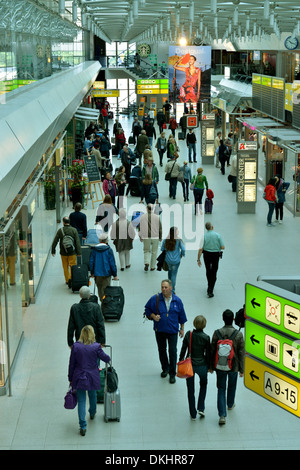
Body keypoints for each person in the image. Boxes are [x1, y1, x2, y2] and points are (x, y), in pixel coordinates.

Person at [68, 325, 111, 436]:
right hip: (92, 376)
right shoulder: (96, 346)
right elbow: (106, 358)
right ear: (93, 334)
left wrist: (70, 378)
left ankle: (83, 426)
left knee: (81, 400)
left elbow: (71, 364)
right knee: (93, 395)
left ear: (81, 334)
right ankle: (92, 412)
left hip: (79, 376)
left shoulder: (76, 347)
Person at [144, 279, 187, 383]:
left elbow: (182, 315)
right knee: (162, 350)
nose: (163, 289)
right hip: (160, 330)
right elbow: (147, 309)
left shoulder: (177, 301)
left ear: (171, 288)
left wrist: (182, 329)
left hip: (172, 331)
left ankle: (172, 373)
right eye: (162, 287)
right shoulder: (155, 299)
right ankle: (165, 368)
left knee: (172, 351)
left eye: (166, 287)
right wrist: (153, 316)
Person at [211, 309, 245, 425]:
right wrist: (242, 369)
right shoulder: (239, 334)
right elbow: (241, 352)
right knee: (232, 385)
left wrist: (211, 366)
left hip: (220, 365)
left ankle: (222, 415)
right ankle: (230, 404)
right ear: (233, 320)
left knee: (221, 389)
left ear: (223, 319)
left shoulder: (217, 333)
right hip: (233, 366)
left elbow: (212, 350)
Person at [179, 315, 211, 420]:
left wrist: (180, 361)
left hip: (190, 366)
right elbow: (208, 354)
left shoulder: (189, 334)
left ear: (194, 323)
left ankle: (193, 414)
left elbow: (183, 350)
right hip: (202, 365)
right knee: (203, 385)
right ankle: (201, 408)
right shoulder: (206, 337)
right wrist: (210, 366)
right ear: (204, 325)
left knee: (190, 390)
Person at [51, 216, 81, 287]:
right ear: (69, 222)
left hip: (63, 252)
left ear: (63, 222)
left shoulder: (60, 230)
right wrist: (79, 252)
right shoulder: (74, 230)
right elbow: (77, 242)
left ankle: (67, 280)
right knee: (72, 266)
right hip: (72, 252)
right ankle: (71, 279)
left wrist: (53, 250)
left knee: (65, 267)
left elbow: (55, 241)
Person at [197, 222, 225, 298]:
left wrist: (198, 259)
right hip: (215, 255)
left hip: (206, 254)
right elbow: (223, 247)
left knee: (208, 270)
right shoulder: (218, 235)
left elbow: (200, 249)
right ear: (212, 227)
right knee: (214, 270)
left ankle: (209, 285)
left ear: (206, 228)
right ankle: (211, 288)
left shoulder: (204, 236)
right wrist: (217, 246)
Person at [89, 233, 118, 302]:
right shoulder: (109, 250)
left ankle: (102, 300)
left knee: (100, 289)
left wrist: (92, 272)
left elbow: (91, 262)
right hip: (107, 273)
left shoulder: (94, 250)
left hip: (97, 274)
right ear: (106, 241)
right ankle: (106, 304)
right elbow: (112, 263)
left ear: (99, 240)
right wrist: (115, 274)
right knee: (107, 289)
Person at [161, 227, 185, 294]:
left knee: (170, 272)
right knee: (174, 274)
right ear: (175, 233)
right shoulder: (179, 240)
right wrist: (182, 254)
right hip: (176, 260)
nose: (178, 232)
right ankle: (172, 290)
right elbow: (183, 249)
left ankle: (168, 286)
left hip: (168, 260)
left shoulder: (166, 240)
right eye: (177, 231)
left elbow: (162, 248)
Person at [139, 203, 162, 271]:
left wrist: (140, 236)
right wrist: (160, 237)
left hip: (146, 237)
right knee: (154, 252)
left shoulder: (142, 217)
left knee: (146, 251)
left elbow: (140, 227)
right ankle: (152, 266)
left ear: (147, 209)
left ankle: (146, 262)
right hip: (155, 237)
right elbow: (160, 228)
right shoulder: (157, 217)